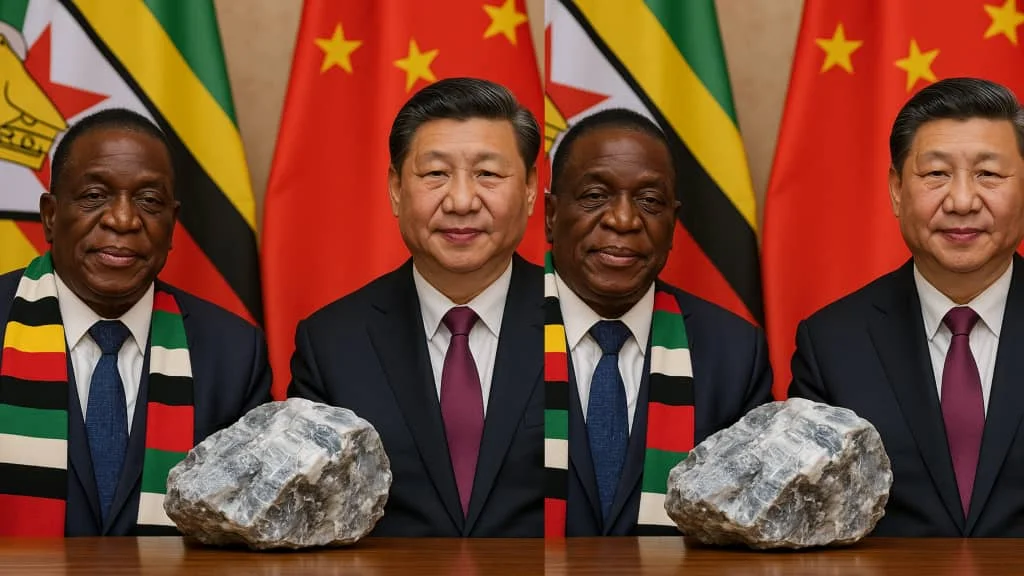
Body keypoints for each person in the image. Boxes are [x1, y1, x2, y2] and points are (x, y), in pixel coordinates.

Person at [288, 77, 543, 537]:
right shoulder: (331, 343)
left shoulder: (576, 323)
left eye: (488, 174)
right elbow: (307, 515)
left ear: (529, 189)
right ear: (395, 189)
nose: (461, 201)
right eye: (435, 174)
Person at [0, 108, 272, 536]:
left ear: (172, 224)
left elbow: (250, 526)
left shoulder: (232, 354)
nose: (123, 220)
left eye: (149, 201)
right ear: (50, 215)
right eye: (94, 195)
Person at [789, 77, 1024, 537]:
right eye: (936, 174)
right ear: (897, 189)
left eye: (989, 174)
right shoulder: (832, 343)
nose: (961, 201)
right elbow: (810, 517)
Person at [544, 108, 773, 536]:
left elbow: (750, 522)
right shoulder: (497, 332)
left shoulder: (733, 354)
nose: (624, 220)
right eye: (595, 196)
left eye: (650, 201)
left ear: (672, 223)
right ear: (551, 215)